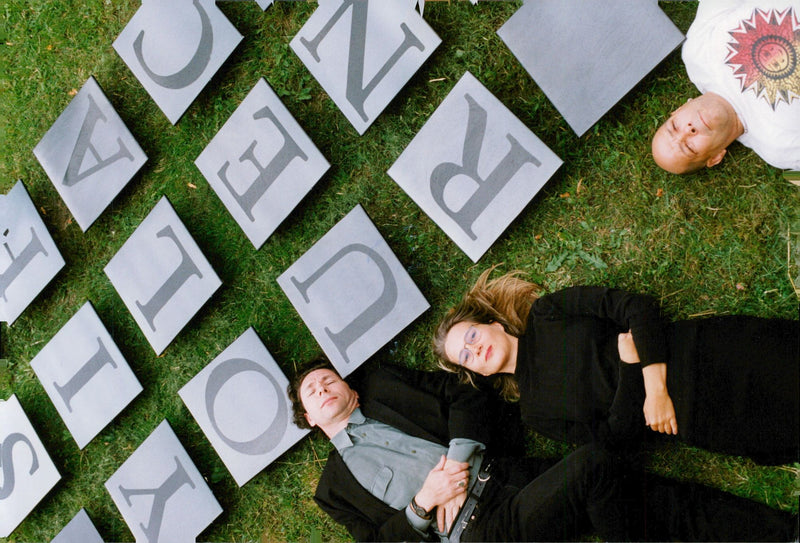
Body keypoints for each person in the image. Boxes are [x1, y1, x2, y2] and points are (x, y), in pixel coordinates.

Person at [289, 359, 798, 542]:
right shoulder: (332, 490)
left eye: (327, 378)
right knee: (598, 462)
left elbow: (465, 395)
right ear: (311, 420)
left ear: (347, 384)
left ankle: (782, 533)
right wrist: (423, 503)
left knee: (647, 497)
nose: (322, 387)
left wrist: (456, 462)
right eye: (312, 391)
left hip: (509, 474)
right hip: (479, 531)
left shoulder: (383, 383)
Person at [433, 268, 799, 465]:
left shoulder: (548, 312)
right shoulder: (534, 412)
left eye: (471, 336)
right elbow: (613, 441)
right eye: (465, 357)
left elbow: (637, 307)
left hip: (700, 352)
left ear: (493, 324)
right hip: (696, 415)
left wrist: (654, 388)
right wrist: (628, 366)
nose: (474, 350)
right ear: (477, 374)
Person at [651, 1, 800, 174]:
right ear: (715, 157)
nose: (689, 130)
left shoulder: (697, 55)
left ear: (678, 109)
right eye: (689, 147)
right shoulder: (779, 147)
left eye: (675, 127)